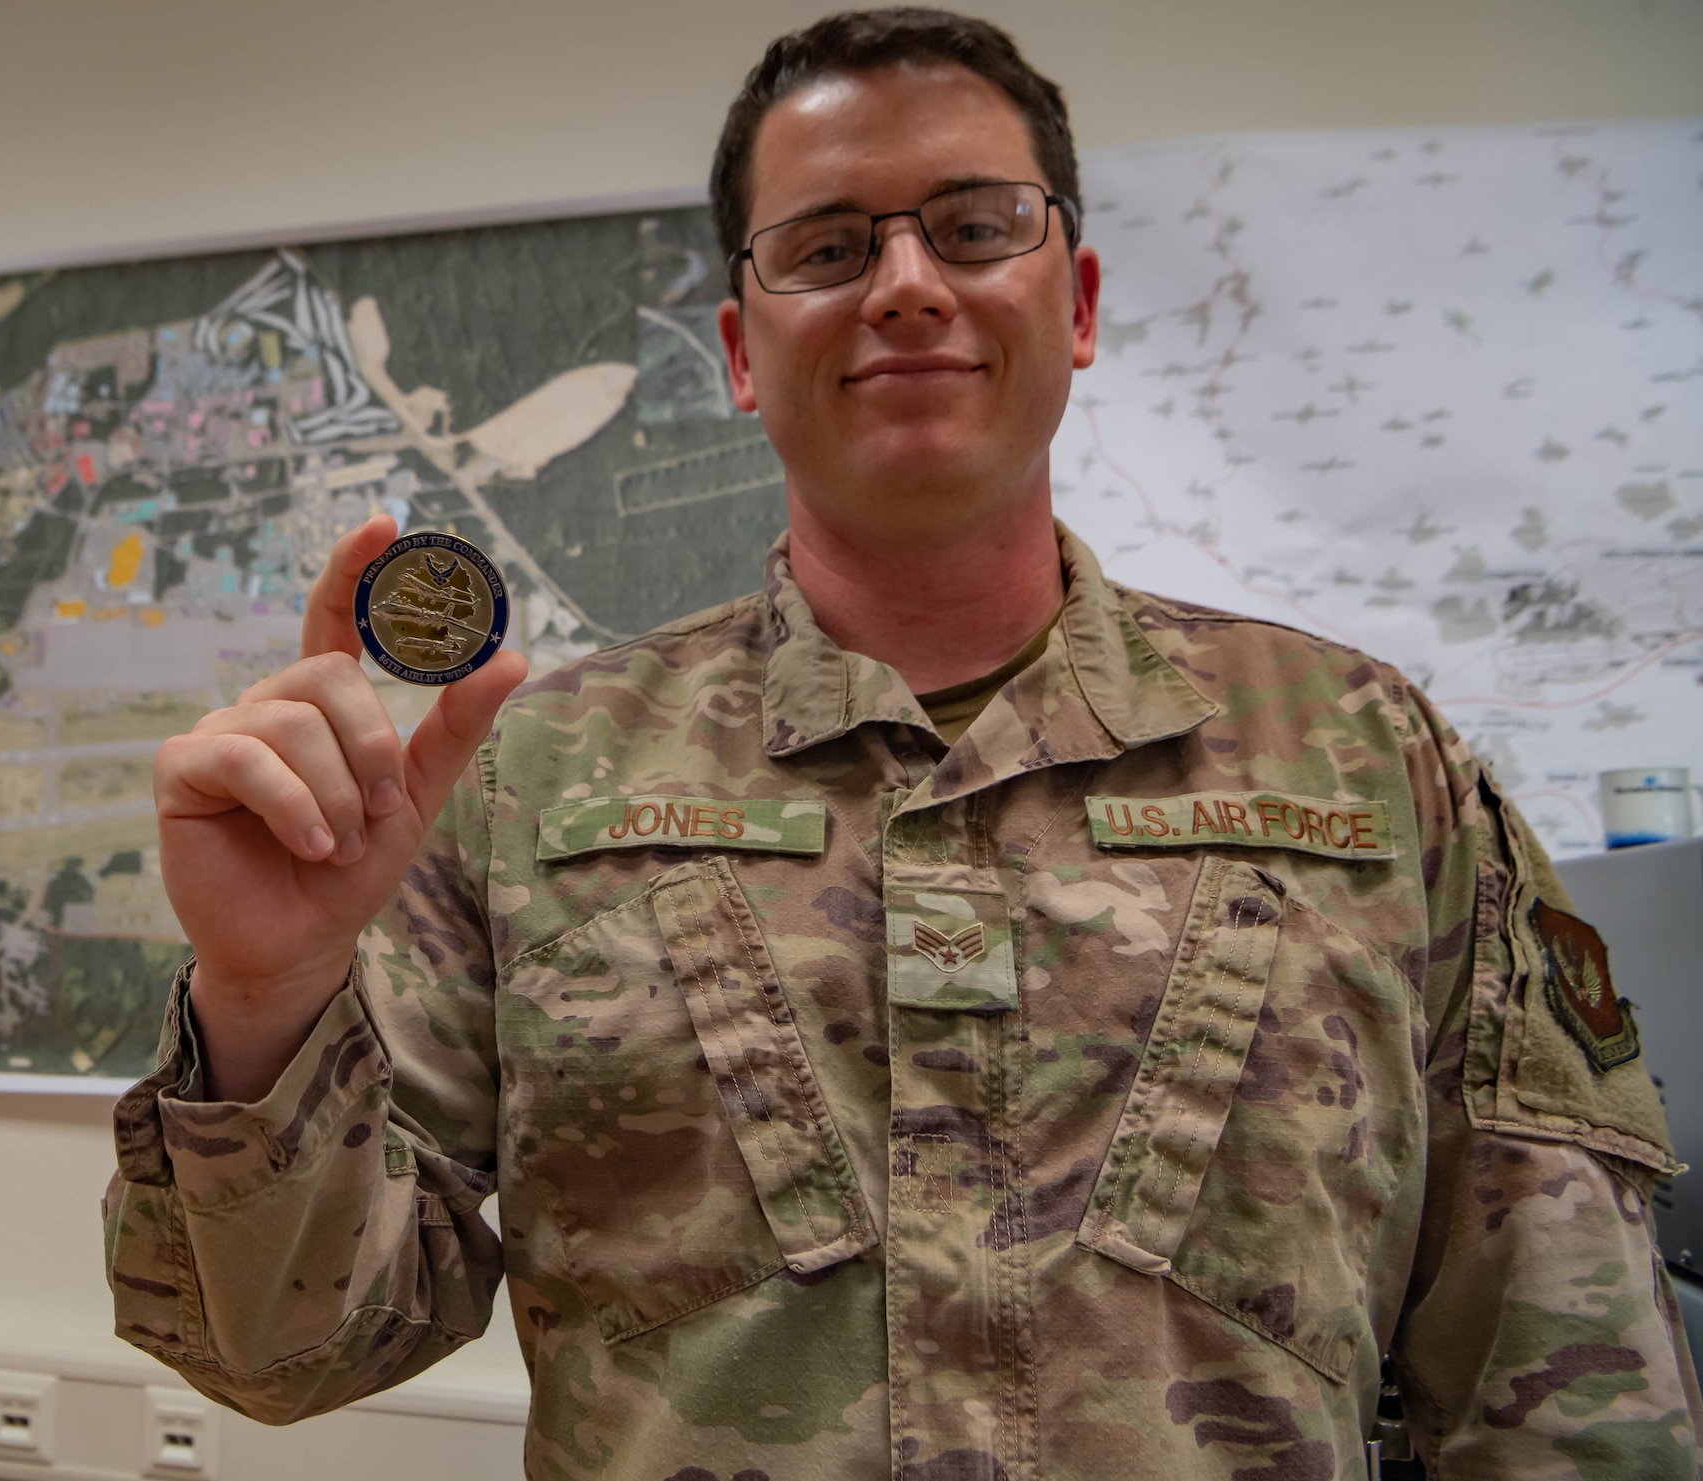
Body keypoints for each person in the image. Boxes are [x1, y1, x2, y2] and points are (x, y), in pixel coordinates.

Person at [104, 9, 1703, 1477]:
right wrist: (262, 999)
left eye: (975, 224)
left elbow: (1567, 1376)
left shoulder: (1368, 763)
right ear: (740, 350)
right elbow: (288, 1348)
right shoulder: (536, 780)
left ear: (1073, 304)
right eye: (826, 245)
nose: (909, 282)